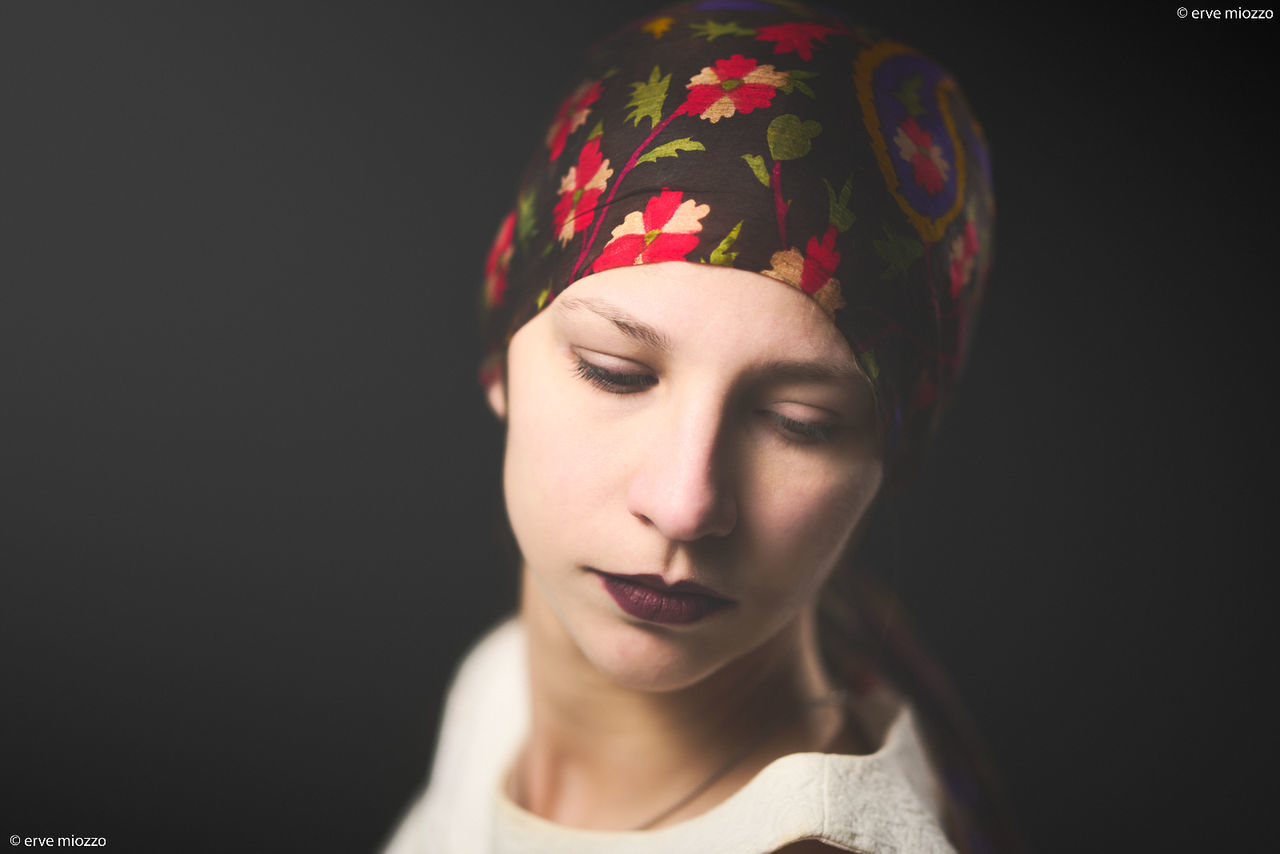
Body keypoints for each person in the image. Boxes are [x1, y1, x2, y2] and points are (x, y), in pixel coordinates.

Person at [384, 1, 1010, 850]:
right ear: (502, 351)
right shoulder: (502, 690)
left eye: (800, 423)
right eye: (616, 374)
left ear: (890, 457)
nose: (684, 504)